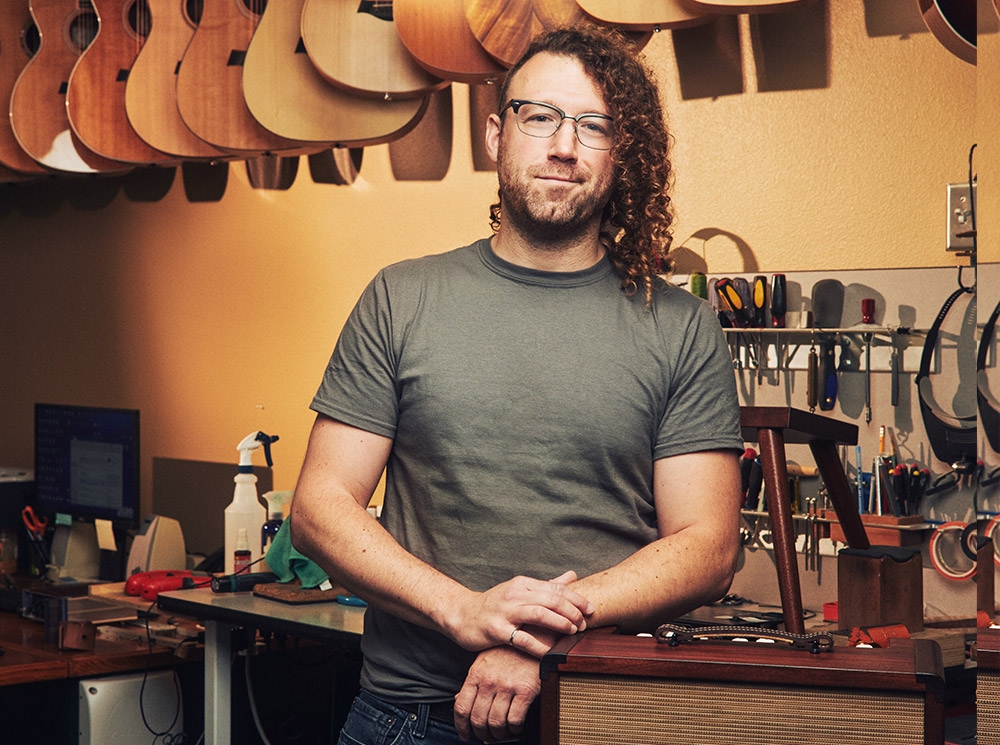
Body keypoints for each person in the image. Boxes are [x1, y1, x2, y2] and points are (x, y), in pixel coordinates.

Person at [290, 24, 744, 745]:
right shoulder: (401, 298)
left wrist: (532, 635)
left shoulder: (681, 326)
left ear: (620, 155)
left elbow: (708, 546)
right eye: (542, 117)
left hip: (600, 714)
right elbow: (317, 506)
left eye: (594, 126)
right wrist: (462, 611)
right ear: (499, 135)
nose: (565, 146)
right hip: (410, 717)